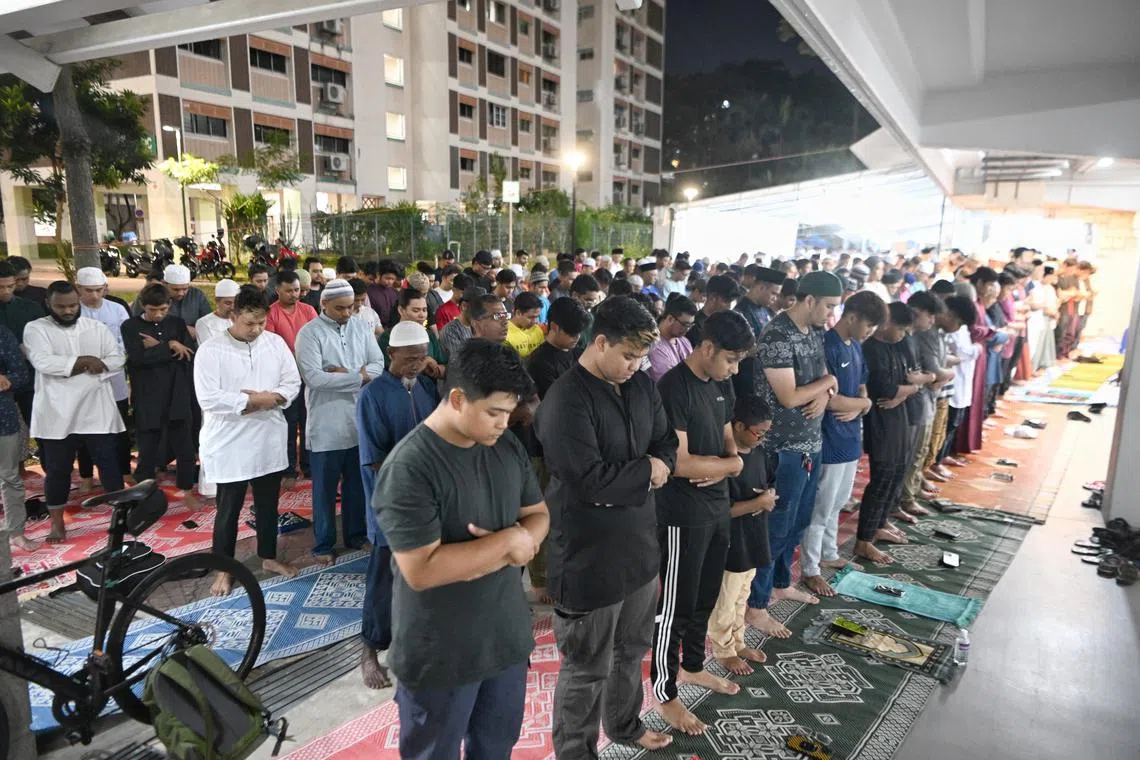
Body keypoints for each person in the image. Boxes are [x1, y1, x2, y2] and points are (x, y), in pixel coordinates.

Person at [376, 339, 547, 759]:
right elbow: (423, 569)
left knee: (495, 747)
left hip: (504, 639)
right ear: (457, 398)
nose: (504, 423)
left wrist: (521, 542)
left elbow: (538, 514)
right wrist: (507, 542)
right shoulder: (410, 467)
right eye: (494, 412)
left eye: (509, 413)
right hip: (441, 651)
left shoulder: (504, 446)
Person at [533, 296, 677, 757]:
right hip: (588, 555)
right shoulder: (565, 400)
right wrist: (649, 472)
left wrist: (657, 465)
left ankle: (624, 724)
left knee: (631, 649)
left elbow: (665, 440)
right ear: (599, 343)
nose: (637, 366)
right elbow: (588, 479)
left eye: (642, 358)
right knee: (586, 667)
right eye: (629, 356)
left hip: (638, 547)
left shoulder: (638, 386)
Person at [651, 310, 752, 735]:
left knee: (705, 600)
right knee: (675, 607)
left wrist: (727, 465)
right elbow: (681, 462)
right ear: (707, 347)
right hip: (682, 517)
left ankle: (692, 666)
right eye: (730, 358)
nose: (734, 368)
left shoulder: (722, 383)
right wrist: (729, 464)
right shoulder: (674, 386)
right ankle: (664, 692)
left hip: (716, 508)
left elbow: (733, 447)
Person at [746, 272, 842, 638]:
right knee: (775, 527)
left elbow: (822, 378)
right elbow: (788, 397)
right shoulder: (776, 335)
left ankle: (782, 582)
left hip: (810, 443)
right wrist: (828, 385)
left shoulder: (813, 332)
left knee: (800, 520)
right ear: (809, 300)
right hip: (781, 448)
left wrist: (827, 390)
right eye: (829, 306)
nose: (832, 314)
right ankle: (756, 606)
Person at [194, 287, 301, 595]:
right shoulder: (211, 350)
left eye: (261, 324)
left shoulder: (275, 343)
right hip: (229, 441)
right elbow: (208, 398)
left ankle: (268, 556)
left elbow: (291, 381)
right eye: (248, 324)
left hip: (267, 436)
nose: (256, 330)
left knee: (268, 504)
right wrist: (253, 401)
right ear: (232, 316)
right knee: (229, 509)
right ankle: (223, 571)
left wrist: (274, 398)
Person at [356, 321, 438, 691]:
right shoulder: (373, 395)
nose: (417, 364)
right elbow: (373, 458)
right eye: (410, 358)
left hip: (426, 499)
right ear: (391, 355)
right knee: (384, 577)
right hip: (390, 501)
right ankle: (369, 649)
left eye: (422, 357)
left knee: (423, 573)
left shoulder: (425, 387)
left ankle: (417, 640)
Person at [25, 282, 126, 543]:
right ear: (49, 304)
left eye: (73, 305)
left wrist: (100, 363)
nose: (68, 311)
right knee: (58, 470)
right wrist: (84, 362)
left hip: (96, 409)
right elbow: (43, 362)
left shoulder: (96, 328)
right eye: (62, 306)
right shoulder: (37, 328)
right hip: (58, 412)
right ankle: (57, 523)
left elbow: (117, 357)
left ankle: (120, 519)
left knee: (109, 465)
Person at [800, 291, 886, 596]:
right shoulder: (828, 346)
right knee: (820, 508)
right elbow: (829, 399)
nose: (870, 333)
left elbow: (863, 389)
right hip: (830, 438)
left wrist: (862, 403)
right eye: (868, 326)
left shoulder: (856, 347)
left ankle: (830, 554)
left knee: (839, 502)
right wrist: (861, 404)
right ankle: (810, 569)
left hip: (851, 439)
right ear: (852, 317)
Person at [294, 279, 385, 565]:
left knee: (357, 484)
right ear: (323, 305)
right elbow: (315, 378)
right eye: (341, 308)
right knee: (324, 488)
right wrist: (358, 376)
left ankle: (356, 535)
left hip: (358, 420)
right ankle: (323, 545)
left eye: (351, 307)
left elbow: (379, 364)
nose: (347, 313)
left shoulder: (361, 326)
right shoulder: (309, 334)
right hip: (326, 422)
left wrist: (342, 374)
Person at [706, 395, 777, 675]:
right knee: (726, 599)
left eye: (765, 433)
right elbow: (719, 510)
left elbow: (768, 483)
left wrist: (769, 496)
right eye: (758, 432)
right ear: (736, 426)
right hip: (730, 541)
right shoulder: (723, 461)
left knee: (742, 595)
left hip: (753, 536)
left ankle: (737, 641)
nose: (761, 438)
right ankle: (723, 649)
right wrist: (757, 504)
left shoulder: (760, 453)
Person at [121, 283, 199, 505]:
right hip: (148, 395)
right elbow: (138, 358)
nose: (157, 314)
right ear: (143, 306)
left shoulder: (176, 324)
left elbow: (187, 356)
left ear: (169, 306)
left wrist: (161, 345)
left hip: (177, 393)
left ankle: (186, 491)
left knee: (185, 447)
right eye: (152, 310)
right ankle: (144, 494)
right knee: (148, 448)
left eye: (163, 310)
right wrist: (171, 347)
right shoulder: (130, 326)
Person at [858, 302, 922, 563]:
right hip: (881, 422)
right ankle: (864, 540)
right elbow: (885, 388)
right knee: (881, 478)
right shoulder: (872, 349)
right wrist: (906, 390)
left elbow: (912, 379)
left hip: (899, 418)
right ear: (886, 323)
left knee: (897, 472)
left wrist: (907, 390)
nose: (903, 335)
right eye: (901, 329)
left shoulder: (898, 346)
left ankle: (879, 523)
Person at [75, 267, 133, 489]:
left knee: (119, 425)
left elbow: (125, 341)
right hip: (83, 377)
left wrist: (109, 361)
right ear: (79, 288)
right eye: (89, 291)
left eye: (99, 290)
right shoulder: (74, 311)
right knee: (85, 428)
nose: (94, 296)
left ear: (106, 288)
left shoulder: (117, 309)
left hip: (115, 375)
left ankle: (125, 471)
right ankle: (87, 476)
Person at [898, 292, 953, 514]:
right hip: (912, 403)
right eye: (929, 315)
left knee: (918, 451)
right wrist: (931, 377)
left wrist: (932, 377)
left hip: (924, 399)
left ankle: (908, 492)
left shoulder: (919, 335)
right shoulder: (909, 338)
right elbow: (921, 374)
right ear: (916, 312)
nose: (932, 321)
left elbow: (930, 374)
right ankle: (904, 498)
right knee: (909, 454)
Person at [266, 270, 319, 486]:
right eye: (288, 291)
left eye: (297, 290)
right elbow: (271, 346)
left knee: (309, 423)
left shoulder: (308, 310)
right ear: (277, 290)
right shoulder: (271, 313)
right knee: (288, 424)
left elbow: (318, 338)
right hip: (284, 378)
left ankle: (308, 466)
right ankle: (288, 469)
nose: (294, 295)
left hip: (309, 375)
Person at [0, 325, 33, 551]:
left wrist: (6, 380)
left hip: (3, 416)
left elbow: (21, 373)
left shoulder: (2, 333)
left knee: (10, 476)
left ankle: (16, 532)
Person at [378, 288, 447, 379]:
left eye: (424, 310)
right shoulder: (388, 337)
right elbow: (394, 369)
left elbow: (444, 365)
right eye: (416, 310)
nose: (422, 315)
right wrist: (424, 362)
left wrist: (436, 369)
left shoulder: (429, 335)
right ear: (401, 310)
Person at [647, 295, 697, 382]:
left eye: (690, 325)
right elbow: (671, 382)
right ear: (670, 318)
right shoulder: (654, 345)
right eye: (685, 324)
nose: (688, 329)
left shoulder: (684, 341)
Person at [685, 275, 737, 348]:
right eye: (726, 301)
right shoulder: (695, 327)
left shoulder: (720, 325)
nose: (729, 307)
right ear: (713, 298)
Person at [196, 279, 241, 345]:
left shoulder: (243, 320)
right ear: (217, 301)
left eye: (236, 303)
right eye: (228, 303)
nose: (232, 307)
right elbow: (210, 349)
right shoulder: (204, 323)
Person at [504, 291, 544, 358]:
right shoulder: (504, 333)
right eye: (531, 317)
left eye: (537, 317)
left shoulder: (537, 330)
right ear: (518, 313)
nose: (535, 322)